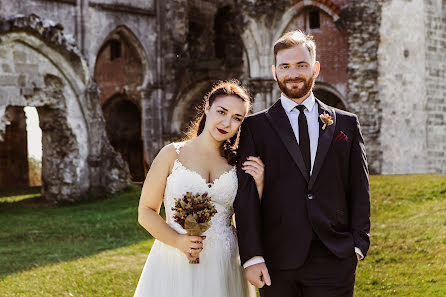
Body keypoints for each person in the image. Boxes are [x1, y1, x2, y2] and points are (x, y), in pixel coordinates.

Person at [234, 30, 371, 297]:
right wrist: (252, 256)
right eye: (285, 66)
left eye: (301, 65)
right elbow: (246, 195)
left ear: (315, 68)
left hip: (334, 257)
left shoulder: (346, 124)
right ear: (275, 71)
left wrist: (358, 245)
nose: (293, 73)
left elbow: (359, 188)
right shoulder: (254, 127)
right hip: (277, 261)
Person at [133, 80, 261, 297]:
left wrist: (260, 183)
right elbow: (145, 212)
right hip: (175, 259)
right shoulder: (172, 154)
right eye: (221, 111)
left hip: (225, 261)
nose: (226, 122)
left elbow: (248, 217)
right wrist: (178, 241)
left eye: (237, 118)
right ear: (207, 108)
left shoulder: (239, 164)